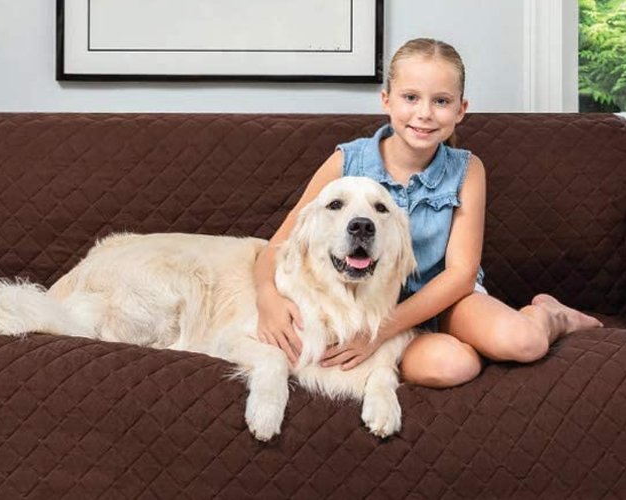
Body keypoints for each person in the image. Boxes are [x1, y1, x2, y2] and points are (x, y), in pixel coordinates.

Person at [253, 38, 603, 389]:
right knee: (451, 367)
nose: (425, 113)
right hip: (372, 310)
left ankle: (551, 314)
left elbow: (461, 274)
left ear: (460, 109)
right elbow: (279, 245)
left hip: (446, 302)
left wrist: (378, 333)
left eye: (441, 101)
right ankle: (472, 346)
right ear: (386, 100)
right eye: (410, 98)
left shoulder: (468, 170)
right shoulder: (347, 162)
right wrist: (267, 299)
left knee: (524, 342)